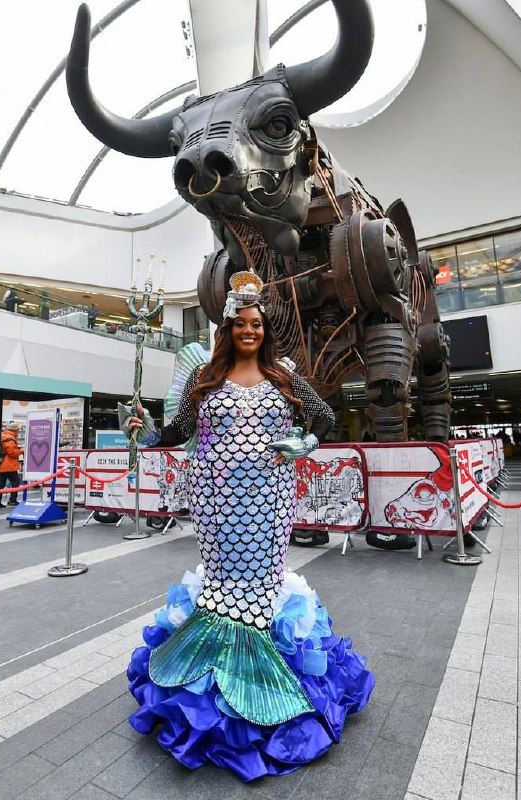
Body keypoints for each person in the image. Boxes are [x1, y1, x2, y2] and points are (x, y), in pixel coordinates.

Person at [122, 272, 374, 780]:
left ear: (265, 329)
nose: (249, 330)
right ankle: (214, 671)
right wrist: (146, 431)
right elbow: (176, 433)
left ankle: (264, 680)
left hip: (269, 498)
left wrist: (300, 446)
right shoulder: (205, 381)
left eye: (256, 323)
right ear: (228, 330)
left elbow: (324, 418)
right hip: (215, 499)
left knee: (259, 583)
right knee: (221, 583)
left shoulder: (283, 375)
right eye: (240, 324)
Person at [0, 422, 23, 508]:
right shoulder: (10, 438)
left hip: (1, 463)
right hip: (9, 465)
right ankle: (12, 500)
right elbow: (12, 453)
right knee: (15, 482)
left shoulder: (3, 435)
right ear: (16, 430)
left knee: (0, 484)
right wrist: (21, 451)